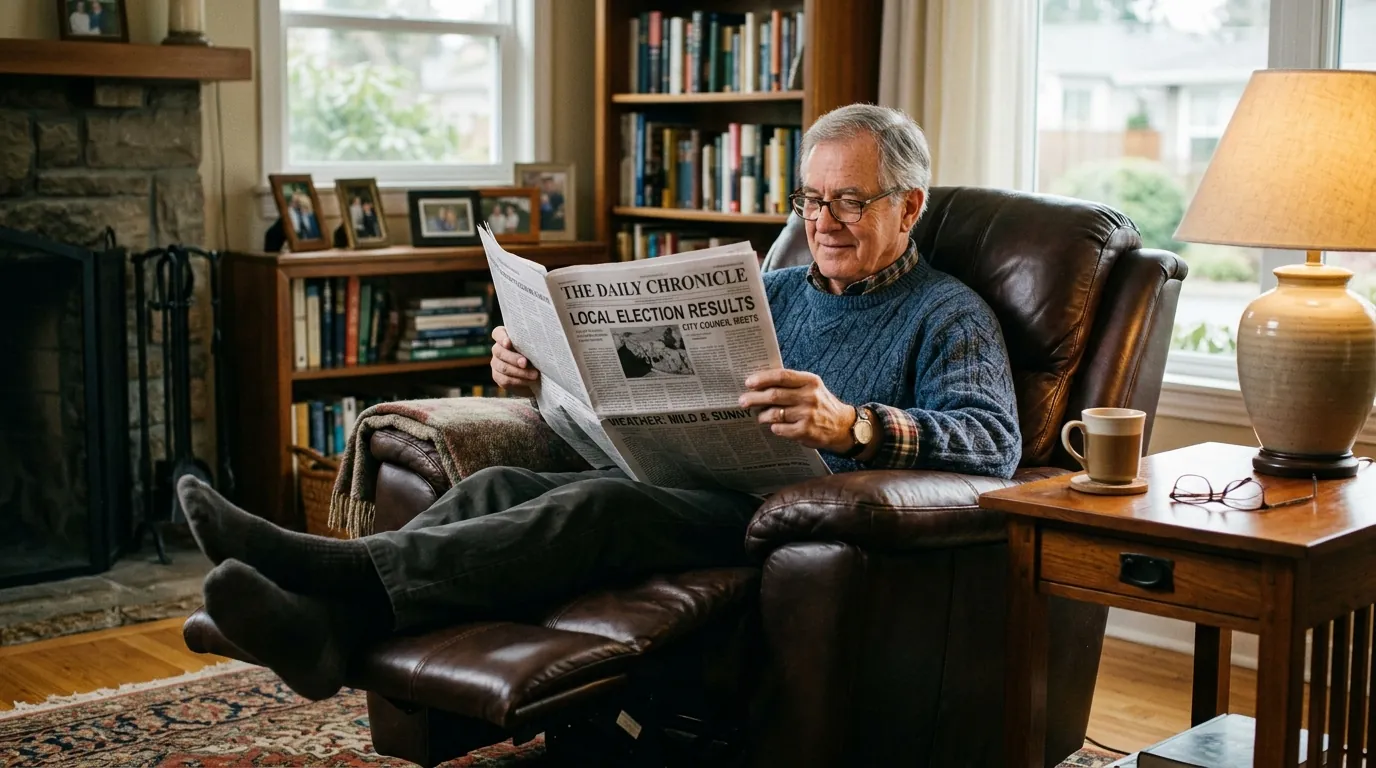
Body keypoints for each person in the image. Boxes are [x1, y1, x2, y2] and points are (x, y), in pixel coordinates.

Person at [178, 103, 1022, 702]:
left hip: (789, 518)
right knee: (495, 491)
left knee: (600, 509)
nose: (824, 220)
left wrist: (854, 424)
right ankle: (325, 630)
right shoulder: (776, 289)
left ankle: (320, 573)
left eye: (850, 200)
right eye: (810, 199)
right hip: (693, 481)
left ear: (908, 206)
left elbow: (994, 442)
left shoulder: (948, 313)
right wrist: (542, 371)